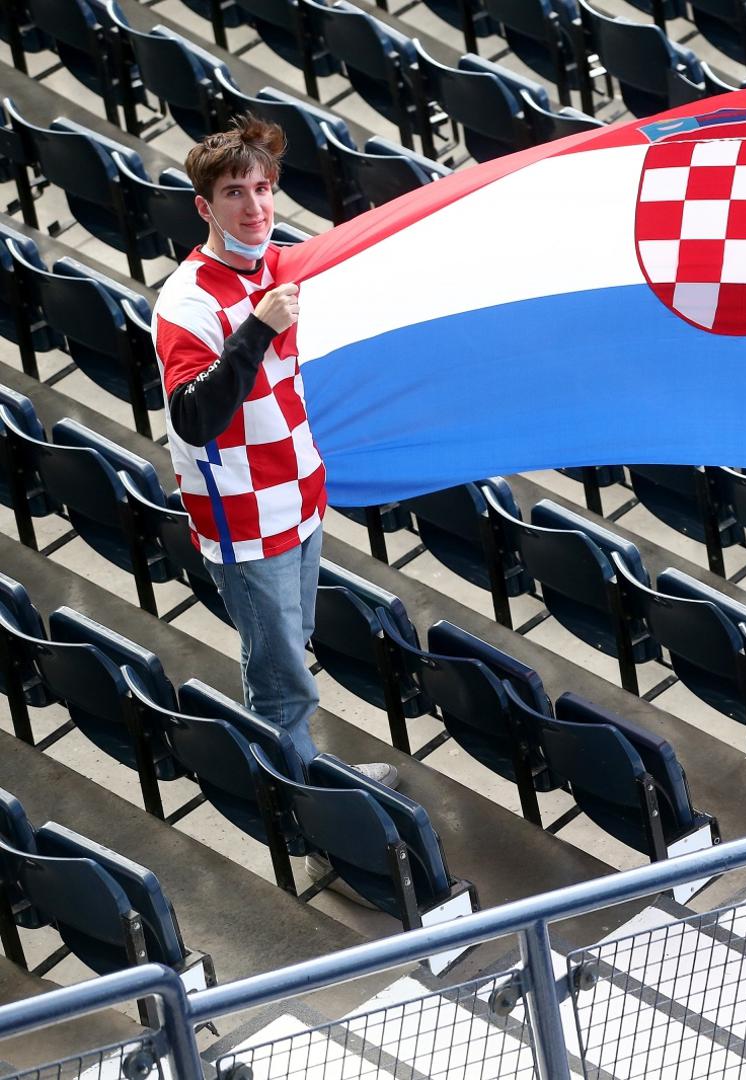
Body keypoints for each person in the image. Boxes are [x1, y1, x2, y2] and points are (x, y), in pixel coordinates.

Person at [152, 116, 397, 791]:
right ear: (204, 207)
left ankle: (303, 776)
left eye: (263, 189)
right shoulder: (187, 302)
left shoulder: (286, 263)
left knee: (291, 650)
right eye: (236, 193)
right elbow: (195, 416)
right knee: (280, 680)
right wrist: (258, 330)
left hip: (299, 494)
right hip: (244, 520)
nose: (255, 207)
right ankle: (312, 819)